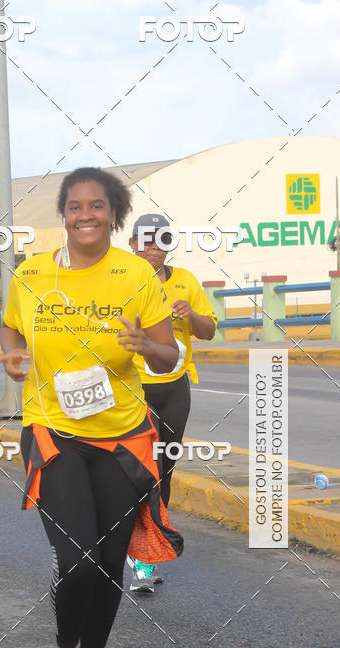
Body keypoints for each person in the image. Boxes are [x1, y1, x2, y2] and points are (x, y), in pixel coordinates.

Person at [0, 168, 183, 648]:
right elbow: (11, 327)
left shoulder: (135, 275)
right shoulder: (32, 275)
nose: (85, 215)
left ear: (113, 212)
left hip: (122, 437)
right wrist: (12, 357)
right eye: (75, 206)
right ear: (63, 213)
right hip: (53, 430)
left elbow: (169, 356)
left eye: (97, 206)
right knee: (77, 558)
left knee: (108, 559)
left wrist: (145, 344)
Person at [127, 213, 217, 593]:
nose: (152, 248)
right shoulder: (121, 282)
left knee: (164, 469)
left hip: (175, 388)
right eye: (145, 241)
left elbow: (209, 331)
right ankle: (134, 549)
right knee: (137, 469)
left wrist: (191, 314)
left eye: (160, 241)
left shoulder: (185, 281)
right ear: (131, 244)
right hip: (133, 388)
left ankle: (148, 553)